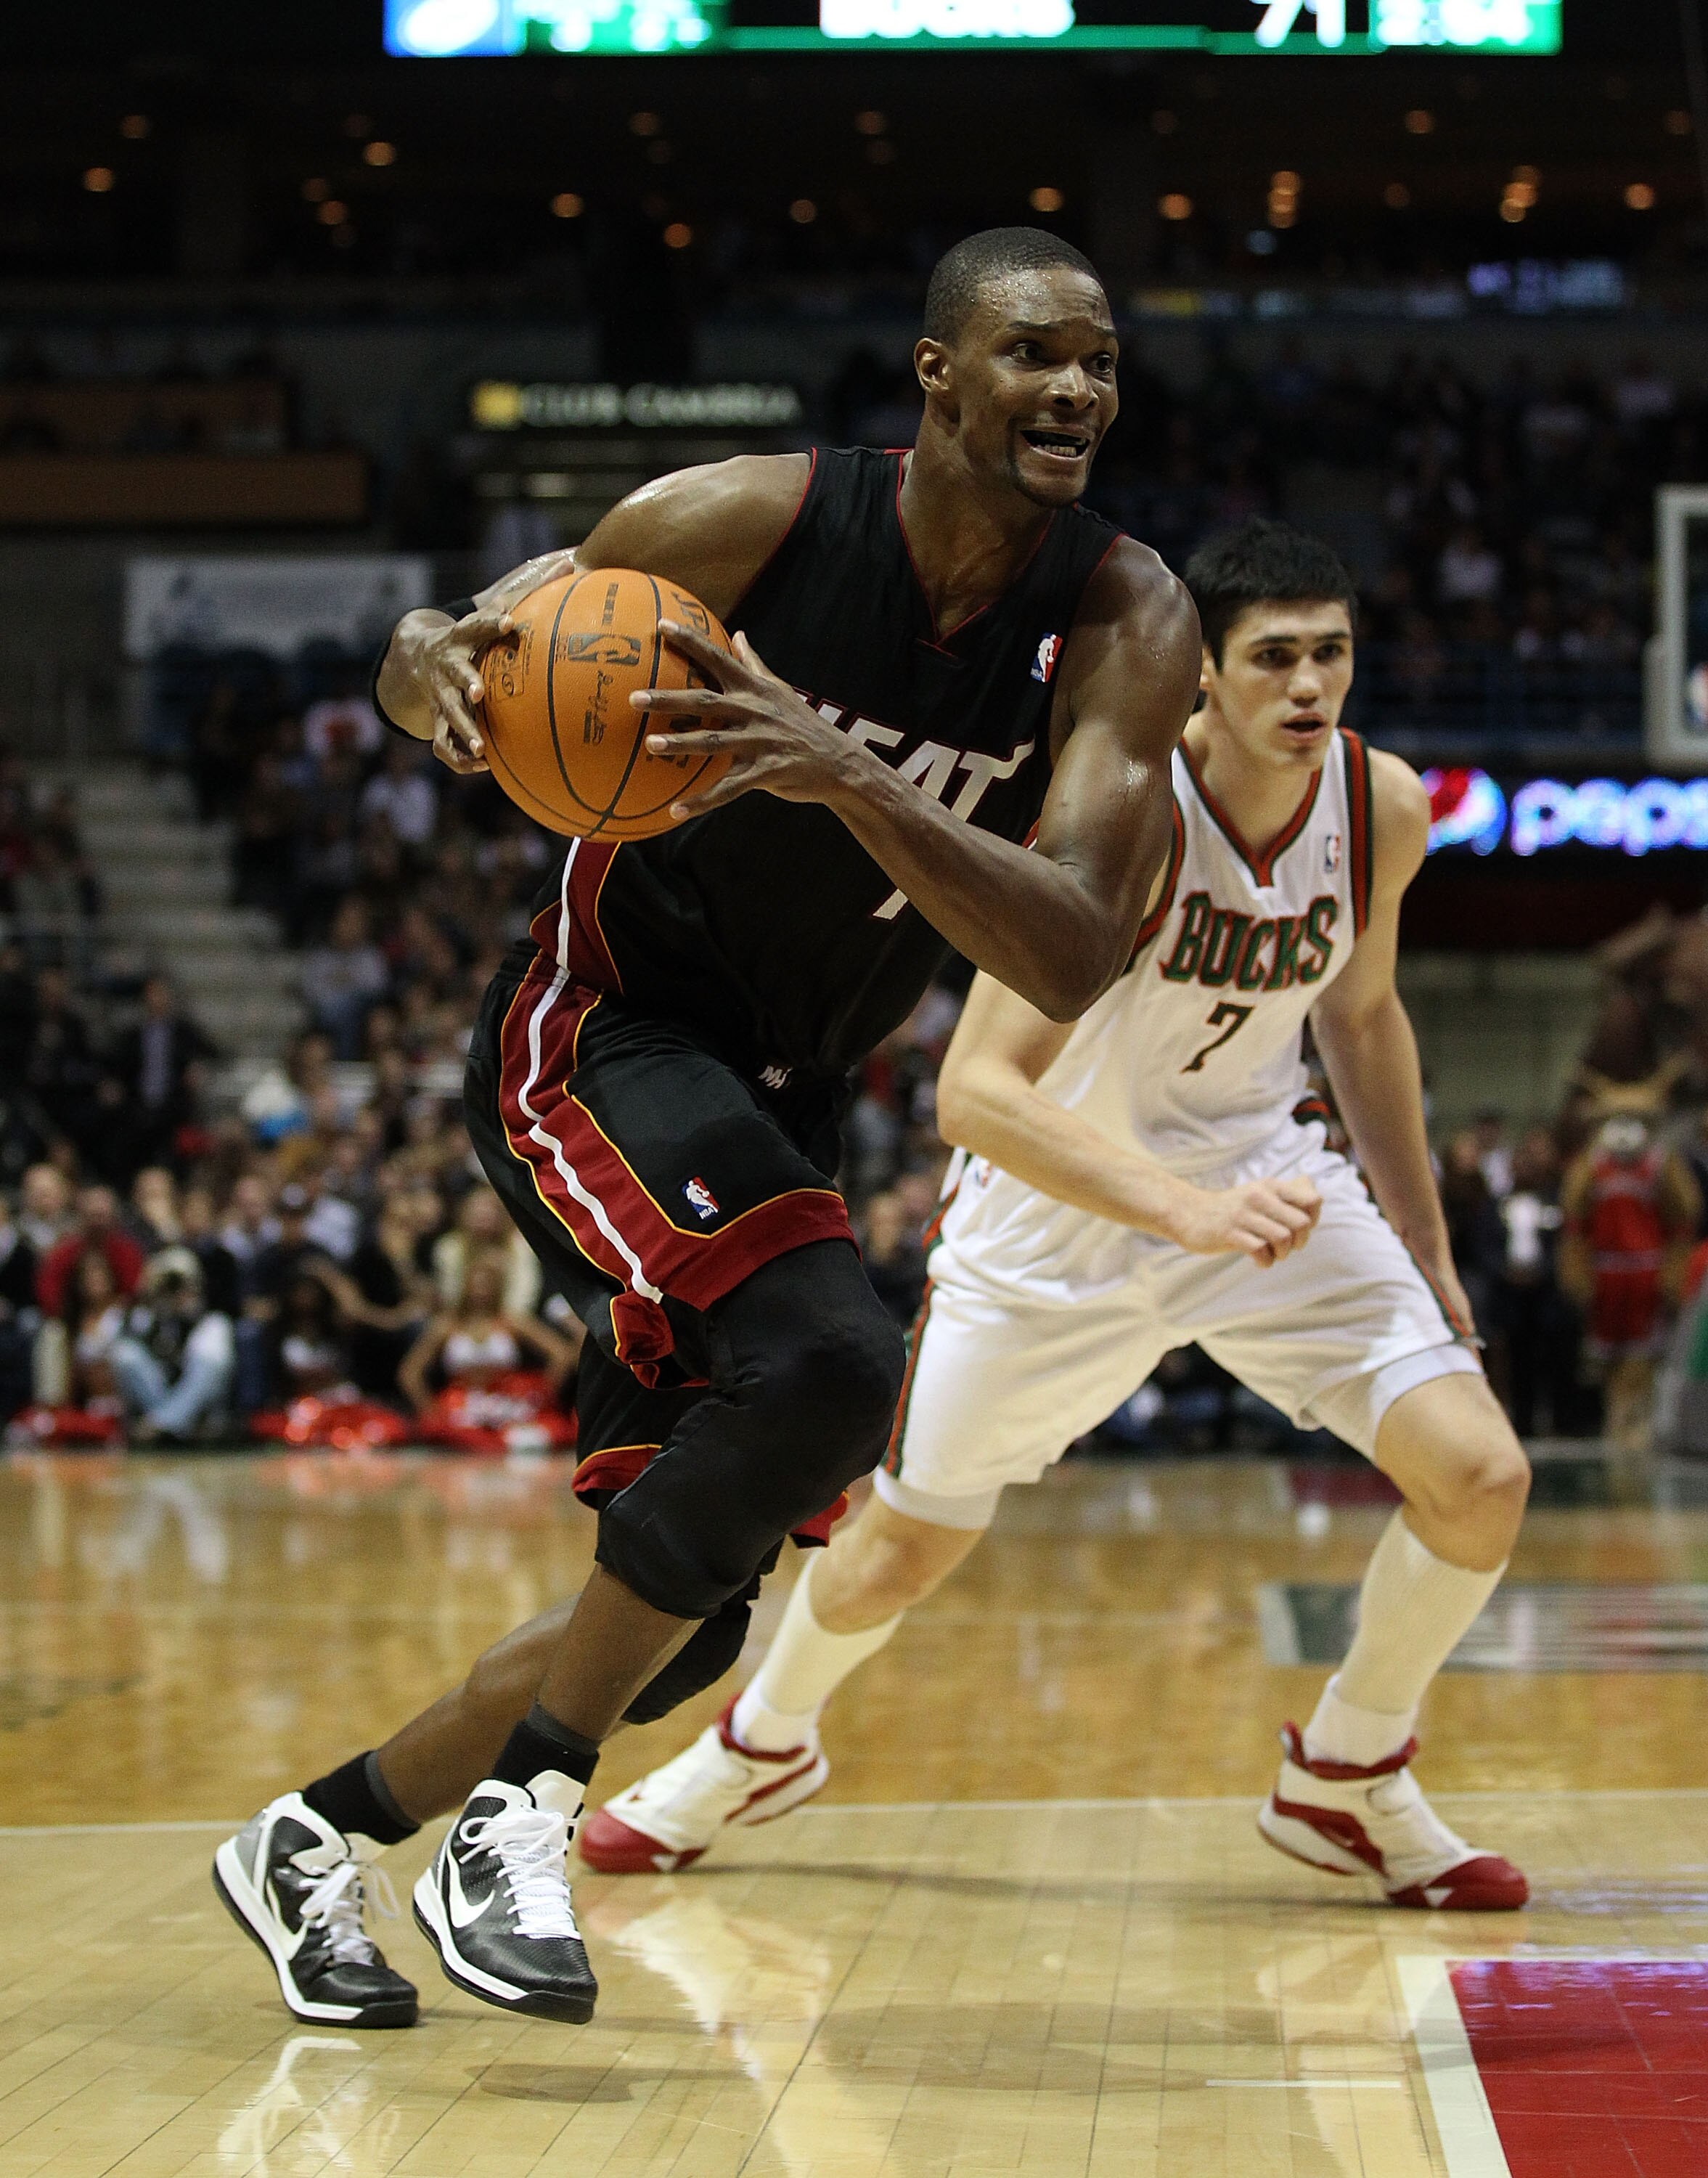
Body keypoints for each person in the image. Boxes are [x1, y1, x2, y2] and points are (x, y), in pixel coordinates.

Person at [214, 226, 1199, 2031]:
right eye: (1035, 354)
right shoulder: (748, 516)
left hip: (779, 1096)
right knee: (833, 1361)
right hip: (604, 1027)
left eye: (1101, 363)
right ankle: (520, 1811)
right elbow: (462, 646)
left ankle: (314, 1835)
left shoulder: (1127, 616)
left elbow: (1069, 951)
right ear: (938, 374)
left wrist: (845, 772)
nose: (1076, 389)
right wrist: (423, 657)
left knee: (682, 1630)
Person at [584, 518, 1535, 1919]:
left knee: (1482, 1478)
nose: (1307, 686)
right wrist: (1185, 1210)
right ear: (1201, 674)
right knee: (901, 1549)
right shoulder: (1123, 820)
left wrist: (1426, 1247)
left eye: (1329, 654)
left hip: (1267, 1186)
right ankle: (760, 1744)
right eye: (1272, 658)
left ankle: (1348, 1770)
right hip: (1059, 1215)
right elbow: (975, 1095)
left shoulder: (1378, 804)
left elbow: (1362, 1013)